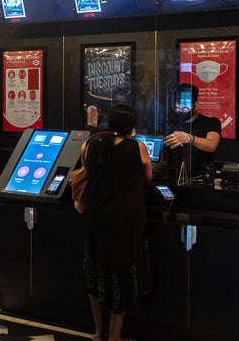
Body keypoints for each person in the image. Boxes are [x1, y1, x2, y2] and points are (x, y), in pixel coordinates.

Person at [80, 105, 152, 341]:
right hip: (123, 221)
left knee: (96, 272)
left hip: (95, 216)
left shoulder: (92, 144)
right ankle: (115, 335)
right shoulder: (137, 147)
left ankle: (98, 333)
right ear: (131, 126)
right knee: (120, 274)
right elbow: (148, 176)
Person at [162, 83, 222, 179]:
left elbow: (212, 145)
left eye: (185, 108)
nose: (181, 111)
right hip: (174, 178)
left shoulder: (210, 123)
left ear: (195, 105)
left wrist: (190, 138)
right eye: (178, 108)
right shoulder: (171, 123)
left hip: (199, 178)